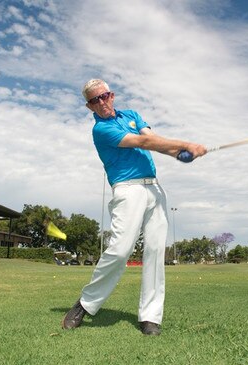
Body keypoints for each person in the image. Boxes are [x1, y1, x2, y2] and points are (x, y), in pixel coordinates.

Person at [61, 79, 206, 336]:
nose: (102, 102)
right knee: (120, 250)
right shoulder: (101, 130)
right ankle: (86, 303)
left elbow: (151, 138)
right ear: (89, 106)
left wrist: (178, 153)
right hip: (128, 189)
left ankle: (150, 317)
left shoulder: (132, 115)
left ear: (112, 95)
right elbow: (143, 143)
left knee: (155, 250)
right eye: (95, 100)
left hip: (154, 188)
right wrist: (186, 145)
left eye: (104, 96)